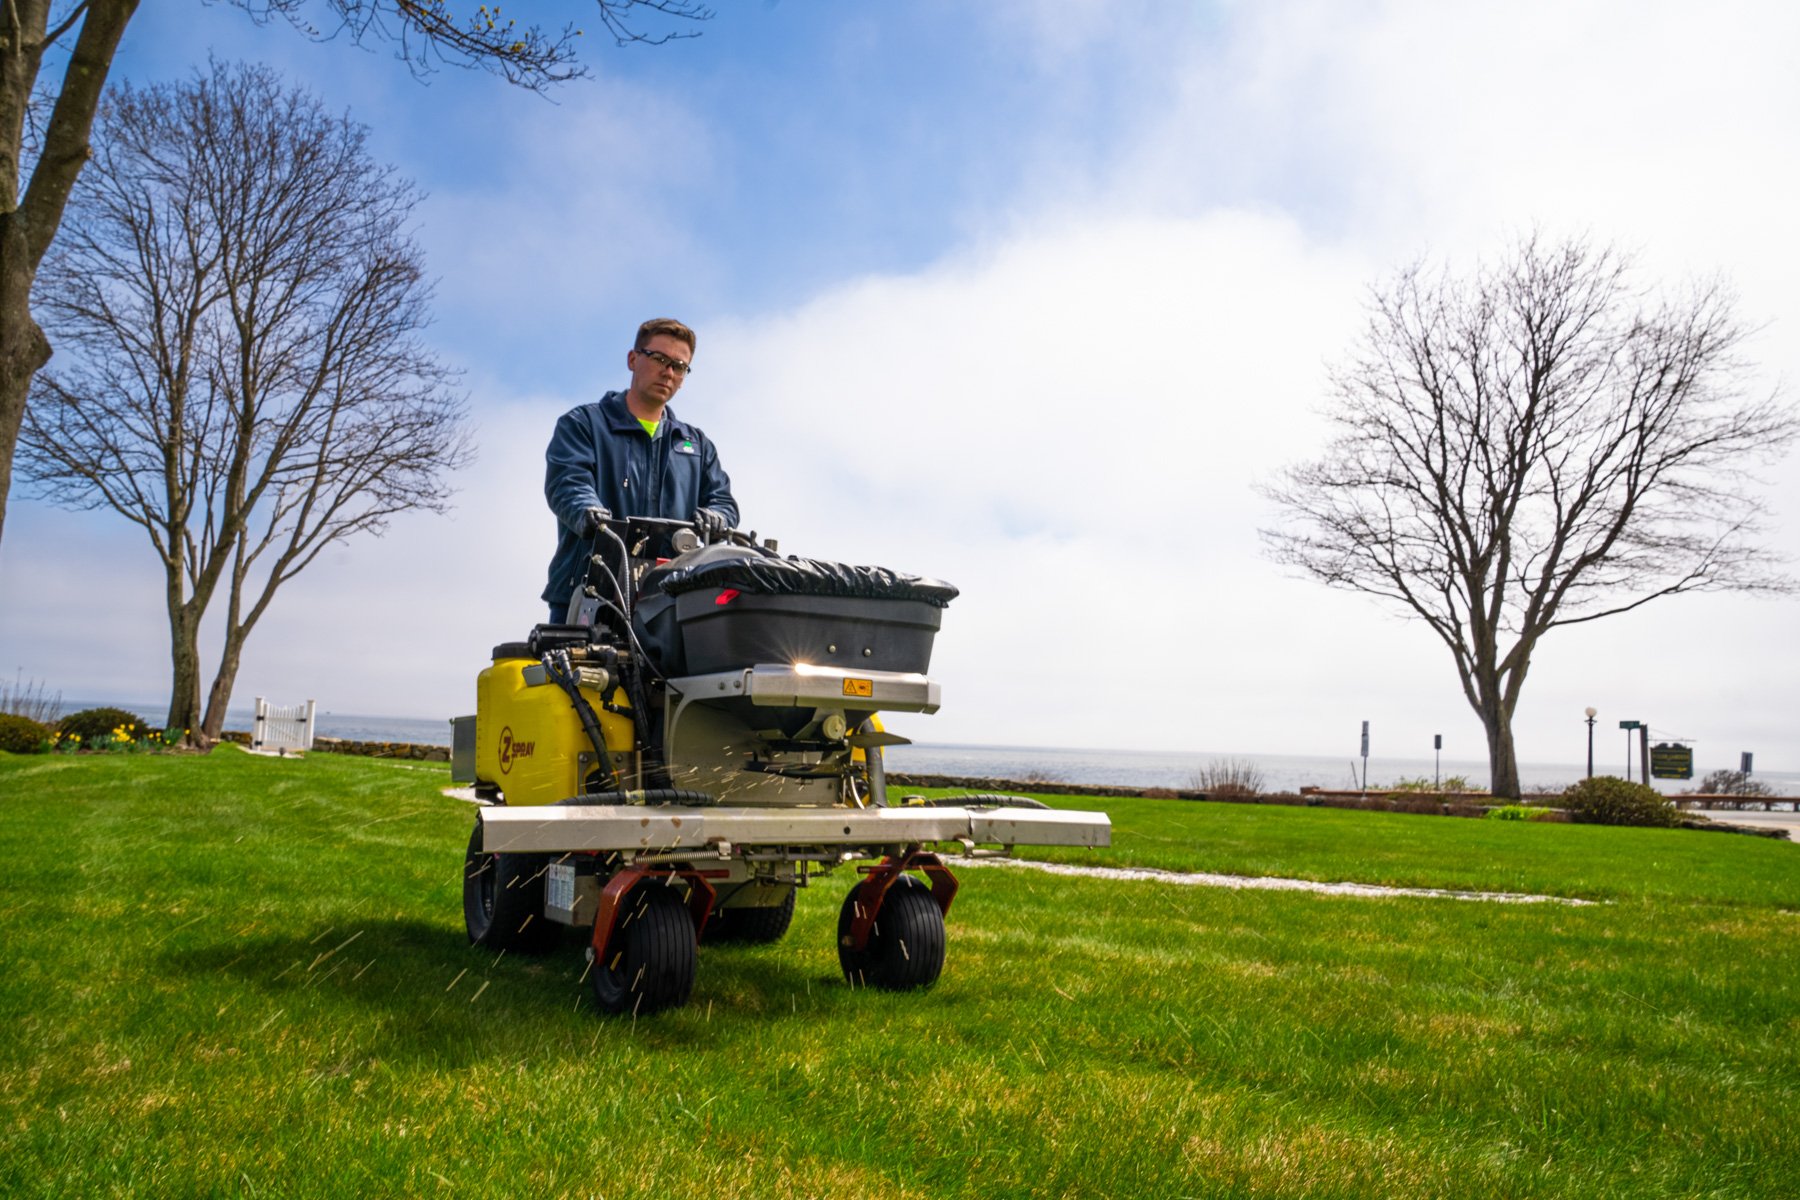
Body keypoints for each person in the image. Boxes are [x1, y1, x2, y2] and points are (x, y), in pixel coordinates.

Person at [542, 318, 738, 621]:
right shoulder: (584, 425)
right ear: (633, 359)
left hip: (671, 604)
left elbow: (722, 503)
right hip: (589, 595)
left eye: (679, 366)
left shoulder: (696, 446)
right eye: (659, 358)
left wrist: (718, 518)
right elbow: (569, 483)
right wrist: (589, 512)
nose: (668, 372)